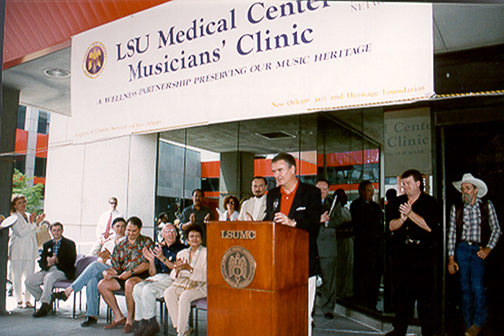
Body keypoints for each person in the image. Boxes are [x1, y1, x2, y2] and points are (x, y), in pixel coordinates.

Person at [264, 152, 321, 336]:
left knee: (302, 314)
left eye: (280, 170)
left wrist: (293, 223)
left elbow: (314, 225)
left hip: (303, 263)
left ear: (293, 170)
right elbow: (268, 221)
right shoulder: (272, 194)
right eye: (274, 171)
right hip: (278, 265)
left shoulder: (311, 193)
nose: (276, 175)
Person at [386, 169, 440, 336]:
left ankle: (428, 331)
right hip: (402, 255)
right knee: (402, 295)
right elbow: (390, 227)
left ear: (418, 184)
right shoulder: (396, 203)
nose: (404, 187)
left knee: (425, 297)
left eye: (408, 183)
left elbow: (430, 227)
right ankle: (399, 329)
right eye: (403, 184)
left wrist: (410, 214)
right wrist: (402, 219)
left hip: (422, 256)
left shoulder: (430, 203)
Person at [447, 173, 501, 336]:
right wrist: (451, 258)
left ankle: (478, 322)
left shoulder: (486, 206)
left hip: (477, 250)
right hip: (462, 249)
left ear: (476, 190)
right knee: (465, 288)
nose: (464, 191)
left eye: (468, 188)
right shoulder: (456, 208)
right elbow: (452, 234)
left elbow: (496, 229)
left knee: (477, 287)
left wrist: (488, 248)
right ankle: (468, 323)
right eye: (463, 189)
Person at [51, 217, 127, 327]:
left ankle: (69, 290)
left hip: (117, 272)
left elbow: (123, 261)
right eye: (117, 226)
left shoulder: (126, 242)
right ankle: (92, 315)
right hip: (104, 271)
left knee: (95, 266)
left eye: (123, 226)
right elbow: (100, 260)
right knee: (92, 279)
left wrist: (107, 262)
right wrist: (103, 260)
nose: (120, 229)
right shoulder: (108, 243)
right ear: (113, 228)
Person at [98, 216, 153, 333]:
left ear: (140, 229)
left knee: (129, 283)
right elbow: (116, 267)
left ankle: (129, 320)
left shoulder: (147, 242)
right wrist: (107, 272)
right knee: (102, 284)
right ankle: (118, 316)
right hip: (123, 275)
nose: (130, 233)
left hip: (140, 276)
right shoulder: (120, 245)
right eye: (128, 230)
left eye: (134, 231)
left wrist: (131, 272)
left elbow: (148, 264)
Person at [133, 223, 186, 336]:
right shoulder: (160, 249)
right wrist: (152, 260)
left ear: (176, 234)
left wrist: (162, 258)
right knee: (137, 288)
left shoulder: (182, 249)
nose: (170, 234)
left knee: (148, 290)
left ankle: (152, 323)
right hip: (158, 278)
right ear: (162, 234)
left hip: (172, 279)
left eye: (173, 231)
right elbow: (153, 273)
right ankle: (143, 322)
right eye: (167, 231)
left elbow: (177, 268)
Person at [26, 222, 76, 317]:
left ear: (62, 231)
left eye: (58, 230)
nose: (56, 233)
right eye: (54, 230)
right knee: (29, 281)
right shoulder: (47, 245)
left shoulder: (69, 244)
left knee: (49, 277)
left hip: (62, 271)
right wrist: (47, 263)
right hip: (48, 270)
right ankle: (47, 301)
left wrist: (58, 260)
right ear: (51, 232)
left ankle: (45, 305)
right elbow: (41, 263)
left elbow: (71, 261)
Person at [164, 224, 207, 336]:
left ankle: (181, 333)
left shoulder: (206, 253)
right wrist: (177, 270)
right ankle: (184, 328)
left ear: (201, 239)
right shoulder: (181, 253)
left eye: (197, 236)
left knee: (185, 296)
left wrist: (190, 269)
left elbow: (207, 276)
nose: (195, 239)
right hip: (183, 284)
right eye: (191, 236)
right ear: (187, 240)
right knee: (168, 293)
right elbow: (173, 274)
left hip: (200, 286)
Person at [350, 180, 384, 311]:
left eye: (372, 190)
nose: (372, 193)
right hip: (364, 248)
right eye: (369, 191)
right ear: (362, 192)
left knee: (375, 278)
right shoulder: (356, 205)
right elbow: (362, 224)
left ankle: (372, 304)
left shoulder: (375, 207)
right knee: (363, 277)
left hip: (377, 247)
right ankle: (361, 302)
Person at [8, 194, 45, 309]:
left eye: (24, 202)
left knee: (30, 276)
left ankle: (28, 299)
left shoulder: (29, 216)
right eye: (19, 203)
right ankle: (19, 299)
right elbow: (21, 232)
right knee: (17, 276)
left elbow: (33, 231)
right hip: (18, 251)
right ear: (15, 205)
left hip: (30, 250)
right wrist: (32, 223)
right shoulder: (14, 217)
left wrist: (37, 223)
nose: (23, 204)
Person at [315, 178, 337, 319]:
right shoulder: (308, 203)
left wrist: (328, 222)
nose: (322, 191)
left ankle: (328, 308)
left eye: (325, 188)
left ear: (328, 190)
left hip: (328, 247)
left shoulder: (335, 204)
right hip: (312, 246)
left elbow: (340, 220)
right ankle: (309, 308)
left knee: (329, 280)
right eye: (319, 188)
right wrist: (319, 219)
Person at [333, 188, 353, 300]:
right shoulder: (335, 211)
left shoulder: (346, 210)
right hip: (339, 243)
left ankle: (347, 291)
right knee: (340, 268)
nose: (345, 199)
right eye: (343, 197)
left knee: (348, 266)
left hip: (348, 241)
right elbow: (337, 227)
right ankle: (339, 292)